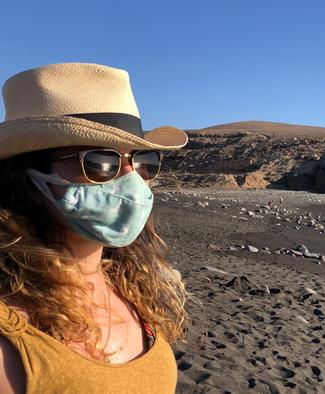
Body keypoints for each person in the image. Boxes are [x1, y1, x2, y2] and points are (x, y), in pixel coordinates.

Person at [0, 62, 190, 393]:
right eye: (100, 163)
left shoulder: (130, 284)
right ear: (28, 176)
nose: (132, 181)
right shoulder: (12, 338)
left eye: (144, 162)